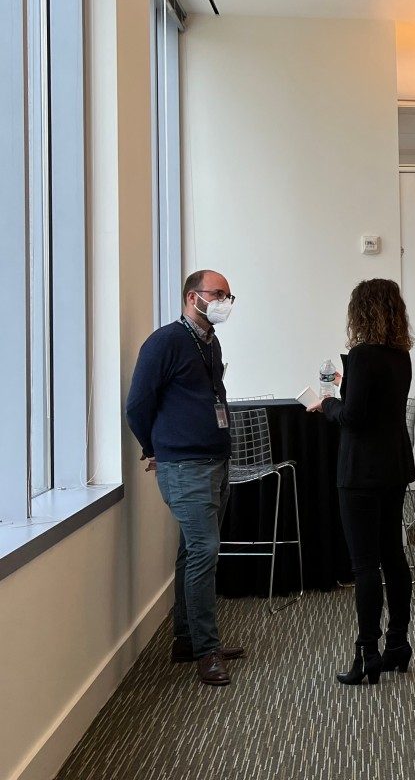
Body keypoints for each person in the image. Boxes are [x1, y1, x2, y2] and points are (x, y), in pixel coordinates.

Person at [126, 270, 244, 687]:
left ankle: (186, 639)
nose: (225, 302)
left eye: (229, 296)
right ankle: (206, 651)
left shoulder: (209, 342)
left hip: (216, 461)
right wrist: (154, 447)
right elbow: (137, 404)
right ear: (193, 297)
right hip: (186, 466)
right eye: (218, 294)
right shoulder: (165, 342)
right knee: (204, 553)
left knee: (191, 552)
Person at [310, 278, 415, 686]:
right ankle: (398, 643)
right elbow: (378, 403)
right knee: (393, 556)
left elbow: (353, 417)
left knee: (365, 564)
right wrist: (346, 385)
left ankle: (367, 651)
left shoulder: (362, 354)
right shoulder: (399, 355)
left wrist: (328, 404)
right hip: (394, 465)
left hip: (361, 470)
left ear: (361, 312)